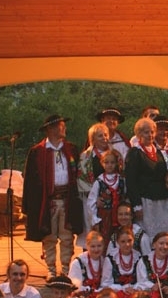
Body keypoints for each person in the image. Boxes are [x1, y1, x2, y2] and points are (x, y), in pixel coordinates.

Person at [23, 114, 83, 279]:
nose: (64, 128)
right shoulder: (38, 151)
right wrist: (28, 206)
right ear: (51, 129)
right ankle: (50, 268)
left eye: (63, 125)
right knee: (48, 236)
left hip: (67, 199)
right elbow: (30, 180)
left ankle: (65, 268)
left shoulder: (71, 149)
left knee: (66, 236)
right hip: (47, 201)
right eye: (61, 126)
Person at [124, 117, 168, 240]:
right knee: (148, 236)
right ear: (139, 134)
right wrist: (136, 205)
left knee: (165, 234)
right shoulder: (135, 153)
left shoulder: (158, 152)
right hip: (145, 201)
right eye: (146, 132)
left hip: (161, 200)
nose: (150, 135)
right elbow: (131, 181)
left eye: (152, 132)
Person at [77, 123, 111, 249]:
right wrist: (95, 199)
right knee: (92, 231)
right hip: (91, 201)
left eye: (106, 135)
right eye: (100, 136)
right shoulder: (85, 157)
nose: (104, 138)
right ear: (93, 139)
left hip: (112, 200)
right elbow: (82, 181)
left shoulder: (115, 154)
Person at [87, 149, 125, 251]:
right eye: (106, 162)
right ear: (102, 163)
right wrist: (95, 219)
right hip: (105, 217)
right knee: (105, 240)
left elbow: (125, 196)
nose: (110, 165)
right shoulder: (99, 181)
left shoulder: (121, 179)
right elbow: (91, 201)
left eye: (112, 162)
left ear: (116, 163)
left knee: (119, 239)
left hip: (119, 216)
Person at [68, 231, 105, 298]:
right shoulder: (78, 262)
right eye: (93, 246)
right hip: (82, 297)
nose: (96, 249)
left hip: (100, 295)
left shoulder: (104, 261)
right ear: (87, 246)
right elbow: (75, 287)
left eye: (99, 246)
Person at [101, 226, 140, 298]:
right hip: (116, 294)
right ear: (117, 242)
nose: (127, 244)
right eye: (123, 241)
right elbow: (105, 284)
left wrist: (134, 288)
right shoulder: (111, 258)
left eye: (129, 240)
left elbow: (142, 280)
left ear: (133, 240)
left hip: (135, 293)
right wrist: (123, 289)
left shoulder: (138, 256)